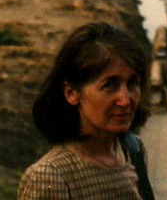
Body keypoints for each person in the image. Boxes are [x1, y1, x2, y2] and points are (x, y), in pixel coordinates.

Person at [19, 22, 156, 200]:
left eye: (132, 83)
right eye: (109, 85)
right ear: (71, 93)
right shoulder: (50, 177)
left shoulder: (133, 150)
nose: (125, 100)